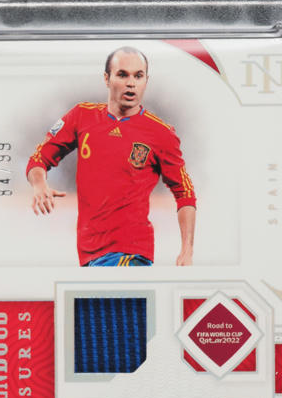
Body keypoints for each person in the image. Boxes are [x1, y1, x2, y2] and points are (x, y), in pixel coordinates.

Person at [26, 46, 196, 266]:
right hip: (89, 253)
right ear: (107, 79)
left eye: (138, 76)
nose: (131, 83)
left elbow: (185, 193)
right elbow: (39, 158)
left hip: (130, 252)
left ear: (146, 81)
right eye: (122, 75)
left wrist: (187, 250)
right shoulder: (81, 116)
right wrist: (39, 184)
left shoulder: (161, 133)